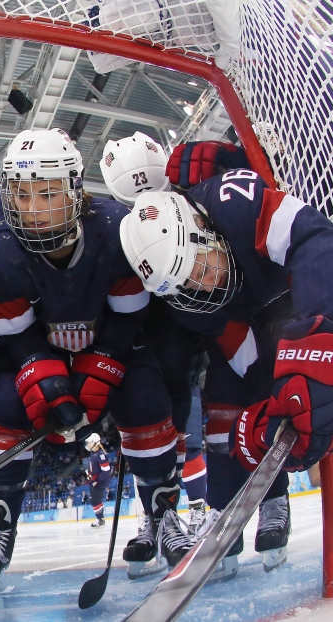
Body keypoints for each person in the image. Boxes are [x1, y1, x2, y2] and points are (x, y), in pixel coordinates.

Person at [0, 127, 181, 595]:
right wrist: (47, 382)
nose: (34, 209)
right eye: (22, 196)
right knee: (4, 404)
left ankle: (164, 513)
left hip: (111, 345)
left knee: (145, 396)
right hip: (31, 353)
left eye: (47, 193)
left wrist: (99, 369)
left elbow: (128, 320)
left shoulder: (117, 230)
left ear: (75, 188)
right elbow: (14, 336)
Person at [119, 177, 333, 575]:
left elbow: (322, 242)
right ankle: (224, 508)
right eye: (185, 286)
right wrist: (273, 392)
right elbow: (236, 341)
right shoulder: (187, 302)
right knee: (229, 404)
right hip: (249, 320)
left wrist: (313, 348)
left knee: (305, 387)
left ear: (202, 227)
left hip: (294, 300)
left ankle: (275, 499)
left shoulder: (233, 204)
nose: (203, 288)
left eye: (199, 267)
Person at [101, 133, 210, 538]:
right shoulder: (117, 226)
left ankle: (189, 508)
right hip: (152, 342)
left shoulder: (183, 205)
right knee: (151, 435)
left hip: (176, 337)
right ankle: (159, 515)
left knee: (182, 433)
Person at [85, 433, 114, 527]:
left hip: (100, 482)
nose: (88, 444)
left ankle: (100, 519)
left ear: (94, 443)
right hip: (96, 481)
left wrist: (97, 480)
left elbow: (106, 471)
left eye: (89, 442)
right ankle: (100, 519)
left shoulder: (100, 455)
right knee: (95, 500)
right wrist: (91, 475)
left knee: (94, 500)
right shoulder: (93, 453)